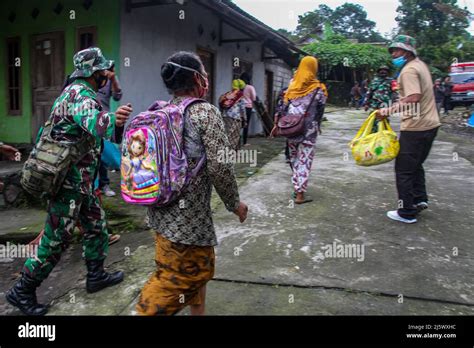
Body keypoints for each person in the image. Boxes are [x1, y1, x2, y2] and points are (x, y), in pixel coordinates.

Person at [6, 47, 133, 316]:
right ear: (92, 72)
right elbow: (95, 124)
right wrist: (115, 119)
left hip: (81, 180)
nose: (105, 75)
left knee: (96, 225)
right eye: (101, 71)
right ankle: (22, 290)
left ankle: (95, 275)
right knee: (56, 238)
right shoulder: (79, 94)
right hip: (67, 181)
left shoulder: (77, 92)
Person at [136, 51, 248, 316]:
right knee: (183, 277)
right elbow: (220, 166)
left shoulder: (161, 111)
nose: (207, 80)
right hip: (190, 222)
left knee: (184, 271)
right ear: (198, 79)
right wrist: (235, 204)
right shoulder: (204, 113)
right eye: (206, 75)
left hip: (159, 214)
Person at [376, 35, 441, 224]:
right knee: (416, 164)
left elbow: (413, 98)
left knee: (403, 170)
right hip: (431, 124)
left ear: (407, 51)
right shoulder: (421, 66)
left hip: (416, 127)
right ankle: (419, 199)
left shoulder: (409, 70)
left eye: (396, 50)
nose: (393, 54)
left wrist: (387, 110)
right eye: (392, 50)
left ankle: (406, 212)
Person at [274, 56, 327, 205]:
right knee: (304, 160)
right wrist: (317, 124)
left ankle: (297, 185)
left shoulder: (292, 85)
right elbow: (320, 110)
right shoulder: (318, 88)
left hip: (291, 128)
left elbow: (283, 105)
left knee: (294, 158)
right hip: (309, 131)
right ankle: (299, 194)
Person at [97, 64, 123, 197]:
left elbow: (117, 96)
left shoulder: (109, 81)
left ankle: (104, 184)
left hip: (104, 121)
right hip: (89, 120)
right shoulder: (93, 79)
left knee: (102, 153)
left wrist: (113, 79)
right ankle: (93, 186)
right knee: (90, 155)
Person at [218, 79, 247, 151]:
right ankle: (230, 152)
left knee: (226, 134)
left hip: (225, 117)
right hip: (235, 118)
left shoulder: (227, 94)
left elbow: (221, 104)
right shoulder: (240, 95)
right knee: (234, 136)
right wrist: (244, 119)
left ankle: (224, 150)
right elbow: (242, 109)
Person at [241, 72, 257, 147]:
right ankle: (244, 142)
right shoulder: (250, 87)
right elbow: (254, 98)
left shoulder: (239, 87)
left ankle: (235, 141)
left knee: (238, 124)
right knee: (246, 124)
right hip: (247, 107)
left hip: (239, 107)